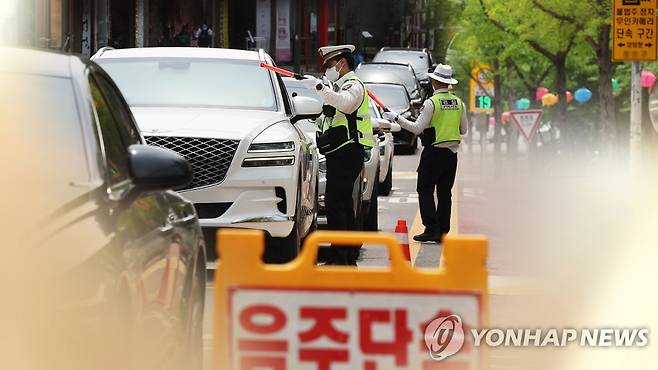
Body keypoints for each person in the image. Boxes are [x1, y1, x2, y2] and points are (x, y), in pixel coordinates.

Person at [302, 45, 374, 265]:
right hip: (339, 150)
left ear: (342, 63)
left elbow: (346, 104)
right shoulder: (340, 86)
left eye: (329, 65)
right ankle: (346, 253)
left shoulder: (352, 85)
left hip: (348, 150)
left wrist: (320, 89)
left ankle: (340, 256)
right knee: (341, 203)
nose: (327, 70)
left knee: (336, 203)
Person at [383, 64, 468, 243]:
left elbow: (417, 128)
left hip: (433, 153)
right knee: (445, 193)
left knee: (425, 190)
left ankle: (431, 228)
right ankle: (443, 230)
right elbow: (464, 129)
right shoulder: (459, 103)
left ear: (435, 81)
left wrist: (396, 118)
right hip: (452, 155)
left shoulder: (432, 103)